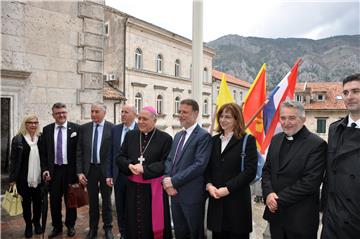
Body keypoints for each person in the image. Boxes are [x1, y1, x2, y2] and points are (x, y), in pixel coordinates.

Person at [261, 100, 327, 239]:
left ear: (303, 119)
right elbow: (267, 171)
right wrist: (268, 193)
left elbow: (310, 182)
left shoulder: (317, 144)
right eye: (283, 118)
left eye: (292, 118)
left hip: (300, 220)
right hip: (276, 218)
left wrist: (277, 200)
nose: (286, 122)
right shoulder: (276, 139)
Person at [116, 106, 173, 239]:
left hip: (153, 190)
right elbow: (119, 157)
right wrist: (129, 165)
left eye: (145, 119)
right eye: (139, 118)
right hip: (133, 189)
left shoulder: (165, 139)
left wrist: (145, 169)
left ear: (155, 120)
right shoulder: (131, 136)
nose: (140, 121)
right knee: (133, 220)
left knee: (150, 221)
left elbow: (166, 163)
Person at [205, 103, 257, 239]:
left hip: (237, 204)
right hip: (216, 202)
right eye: (221, 116)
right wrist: (209, 185)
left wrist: (227, 189)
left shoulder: (248, 140)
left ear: (236, 119)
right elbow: (207, 168)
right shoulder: (214, 140)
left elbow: (249, 172)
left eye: (227, 117)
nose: (223, 120)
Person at [163, 99, 212, 239]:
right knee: (179, 232)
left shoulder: (203, 136)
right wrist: (167, 181)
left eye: (185, 112)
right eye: (180, 111)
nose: (181, 115)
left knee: (194, 233)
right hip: (175, 194)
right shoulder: (178, 135)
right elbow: (170, 160)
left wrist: (173, 181)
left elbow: (199, 165)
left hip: (192, 195)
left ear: (195, 114)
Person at [321, 74, 360, 239]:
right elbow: (329, 175)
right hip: (332, 219)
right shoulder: (334, 129)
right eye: (345, 93)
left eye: (356, 91)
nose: (349, 97)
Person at [40, 102, 79, 237]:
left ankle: (70, 225)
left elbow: (80, 153)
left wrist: (80, 172)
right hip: (54, 171)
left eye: (63, 112)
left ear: (66, 112)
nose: (61, 115)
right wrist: (45, 169)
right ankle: (57, 227)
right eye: (58, 113)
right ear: (53, 115)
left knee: (71, 200)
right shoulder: (47, 130)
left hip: (71, 171)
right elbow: (44, 153)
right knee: (55, 201)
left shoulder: (76, 129)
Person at [76, 103, 114, 239]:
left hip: (105, 172)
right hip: (90, 170)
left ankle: (108, 228)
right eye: (92, 111)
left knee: (107, 202)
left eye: (96, 111)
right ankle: (93, 229)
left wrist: (112, 173)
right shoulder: (84, 128)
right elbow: (79, 151)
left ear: (104, 113)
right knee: (92, 202)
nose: (93, 114)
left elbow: (115, 153)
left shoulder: (112, 128)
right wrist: (80, 172)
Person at [106, 105, 137, 239]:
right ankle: (123, 233)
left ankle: (134, 233)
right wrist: (109, 174)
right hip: (118, 176)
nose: (123, 114)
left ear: (134, 114)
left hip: (135, 176)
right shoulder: (116, 129)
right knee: (120, 207)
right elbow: (111, 154)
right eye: (122, 112)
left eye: (126, 112)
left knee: (134, 207)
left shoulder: (139, 129)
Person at [9, 114, 43, 238]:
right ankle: (28, 225)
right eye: (30, 122)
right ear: (25, 124)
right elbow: (13, 160)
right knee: (26, 203)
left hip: (39, 177)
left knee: (39, 202)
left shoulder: (41, 138)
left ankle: (37, 222)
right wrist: (12, 179)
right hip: (23, 178)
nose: (33, 125)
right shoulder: (18, 139)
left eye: (35, 122)